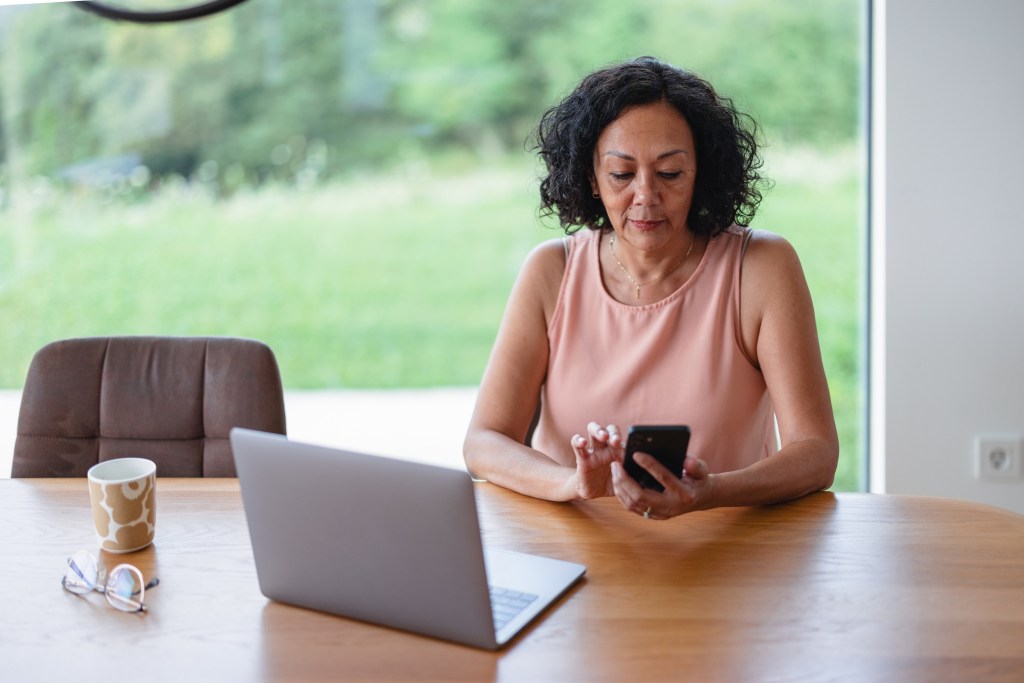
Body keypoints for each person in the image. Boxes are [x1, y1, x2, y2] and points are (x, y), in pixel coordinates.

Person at [463, 56, 838, 520]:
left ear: (702, 172)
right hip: (575, 549)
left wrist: (711, 492)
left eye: (670, 173)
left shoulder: (760, 268)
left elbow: (816, 452)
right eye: (621, 174)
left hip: (725, 551)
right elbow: (484, 441)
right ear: (591, 179)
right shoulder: (551, 271)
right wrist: (573, 483)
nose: (645, 196)